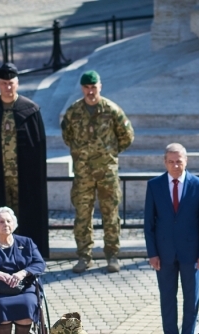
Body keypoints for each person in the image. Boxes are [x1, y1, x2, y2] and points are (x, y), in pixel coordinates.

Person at [62, 70, 135, 274]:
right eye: (87, 87)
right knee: (82, 215)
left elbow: (127, 136)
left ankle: (112, 255)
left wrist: (109, 153)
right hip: (83, 173)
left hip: (107, 172)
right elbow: (67, 136)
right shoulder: (73, 111)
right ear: (82, 88)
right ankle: (84, 257)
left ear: (100, 87)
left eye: (94, 87)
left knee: (110, 215)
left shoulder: (111, 110)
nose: (90, 91)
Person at [144, 143, 199, 334]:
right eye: (171, 161)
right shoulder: (154, 186)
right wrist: (152, 253)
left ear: (186, 161)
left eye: (179, 161)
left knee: (191, 299)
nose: (175, 165)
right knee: (167, 299)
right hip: (164, 254)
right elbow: (148, 223)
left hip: (191, 254)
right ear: (165, 162)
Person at [0, 62, 49, 257]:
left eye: (11, 83)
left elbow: (38, 148)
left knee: (26, 213)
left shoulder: (30, 111)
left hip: (24, 177)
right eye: (4, 83)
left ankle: (27, 254)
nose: (8, 87)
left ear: (17, 83)